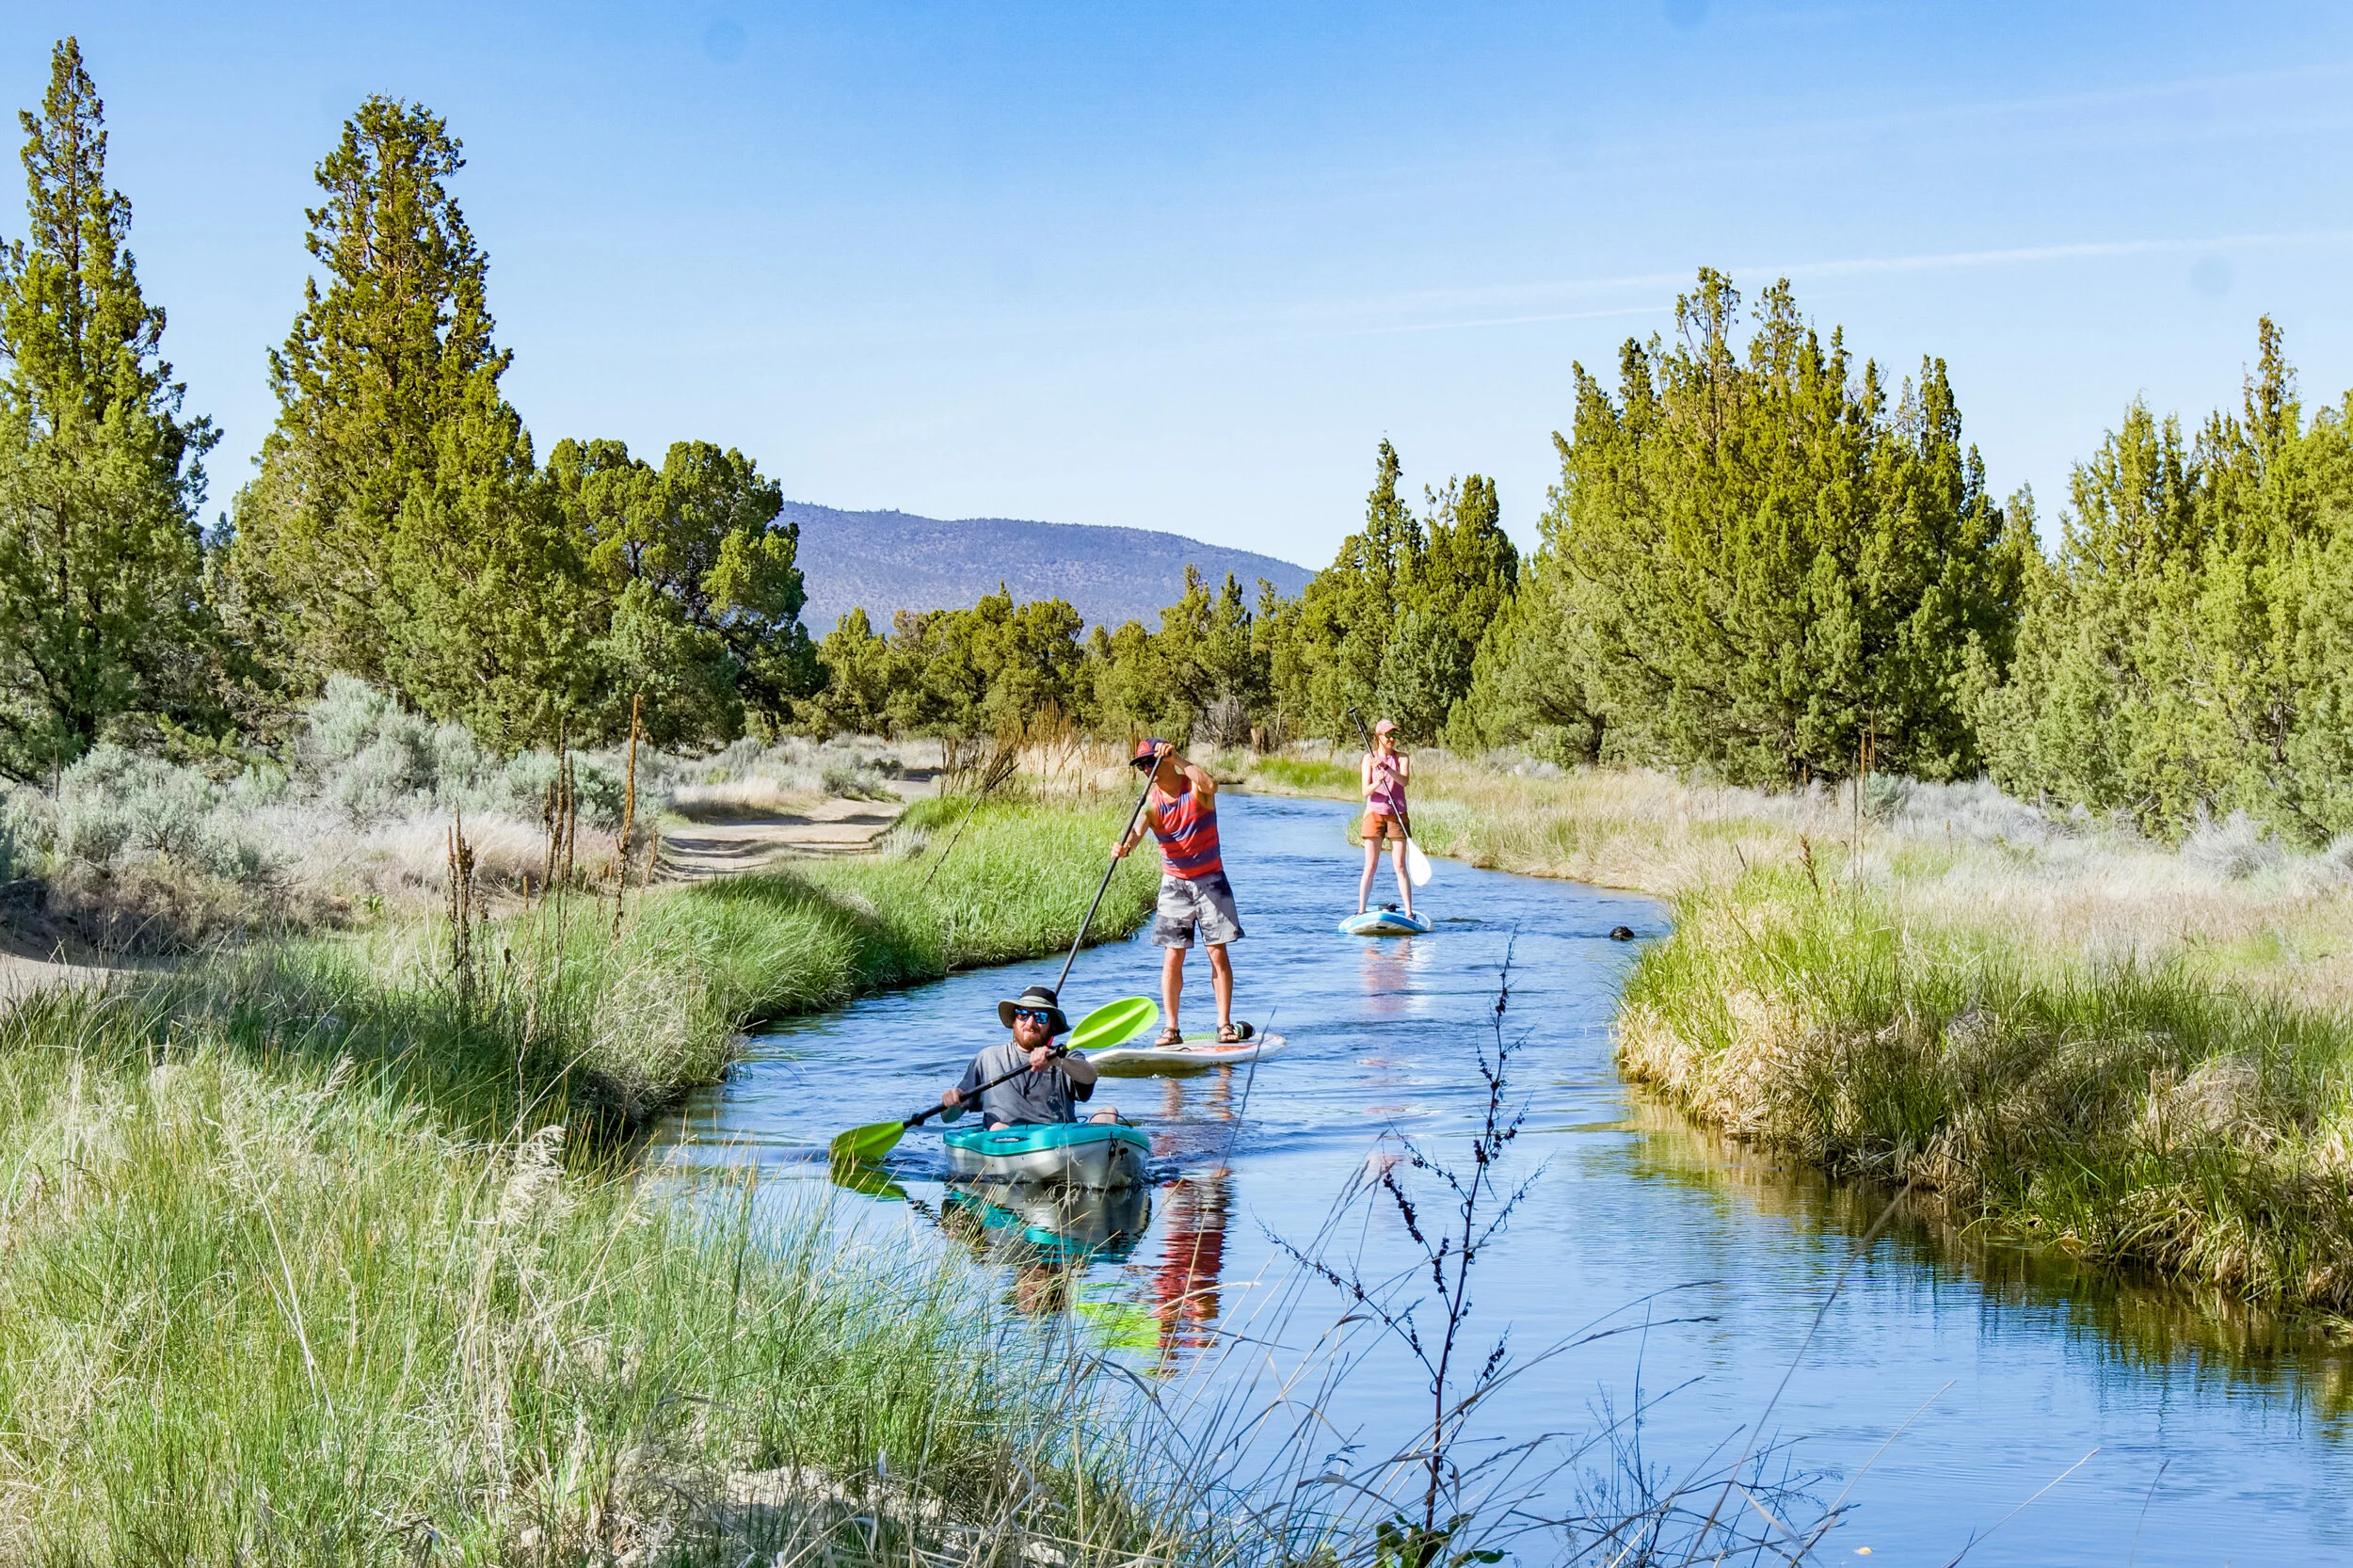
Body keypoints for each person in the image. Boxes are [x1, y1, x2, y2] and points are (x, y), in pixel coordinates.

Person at [1112, 738, 1248, 1046]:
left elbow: (1212, 785)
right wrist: (1125, 848)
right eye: (1142, 765)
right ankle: (1171, 1028)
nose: (1147, 769)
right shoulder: (1150, 803)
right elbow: (1136, 833)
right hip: (1174, 884)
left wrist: (1178, 759)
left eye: (1151, 762)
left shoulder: (1195, 788)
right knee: (1172, 956)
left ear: (1167, 761)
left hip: (1210, 880)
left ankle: (1224, 1025)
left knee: (1217, 952)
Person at [940, 984, 1116, 1128]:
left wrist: (1057, 1061)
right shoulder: (987, 1058)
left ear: (1052, 1025)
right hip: (1006, 1142)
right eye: (1023, 1014)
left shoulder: (1066, 1056)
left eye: (1040, 1017)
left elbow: (1090, 1076)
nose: (1030, 1023)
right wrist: (952, 1102)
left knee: (1109, 1112)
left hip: (1059, 1141)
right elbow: (948, 1117)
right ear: (1014, 1020)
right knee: (998, 1127)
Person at [1357, 717, 1414, 919]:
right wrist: (1377, 782)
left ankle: (1409, 912)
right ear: (1378, 736)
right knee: (1370, 866)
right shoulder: (1368, 758)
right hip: (1374, 814)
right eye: (1388, 735)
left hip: (1397, 814)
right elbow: (1365, 791)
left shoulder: (1402, 758)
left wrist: (1387, 768)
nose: (1391, 738)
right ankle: (1361, 910)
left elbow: (1404, 781)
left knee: (1400, 866)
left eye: (1394, 734)